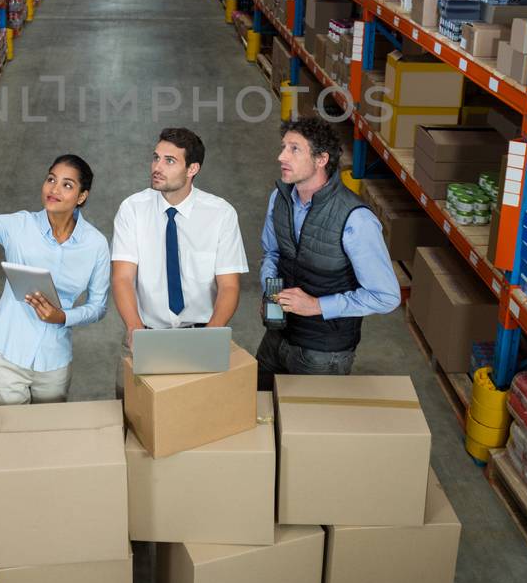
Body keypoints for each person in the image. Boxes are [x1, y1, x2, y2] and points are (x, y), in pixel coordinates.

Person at [0, 139, 110, 405]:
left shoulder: (95, 245)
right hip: (7, 356)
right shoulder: (19, 226)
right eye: (51, 179)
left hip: (54, 362)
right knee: (6, 435)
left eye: (67, 185)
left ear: (82, 196)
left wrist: (63, 316)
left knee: (47, 436)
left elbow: (98, 306)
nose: (54, 189)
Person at [257, 115, 400, 393]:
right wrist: (269, 291)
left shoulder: (355, 219)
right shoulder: (280, 198)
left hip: (323, 353)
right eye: (283, 147)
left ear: (321, 159)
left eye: (294, 149)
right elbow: (272, 253)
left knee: (306, 431)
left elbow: (387, 296)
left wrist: (317, 306)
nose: (281, 156)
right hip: (277, 336)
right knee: (254, 410)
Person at [111, 127, 248, 344]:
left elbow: (229, 285)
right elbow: (123, 277)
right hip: (145, 331)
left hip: (203, 331)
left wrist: (211, 335)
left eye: (169, 161)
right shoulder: (132, 209)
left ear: (192, 168)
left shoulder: (221, 214)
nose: (157, 167)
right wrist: (134, 328)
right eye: (156, 158)